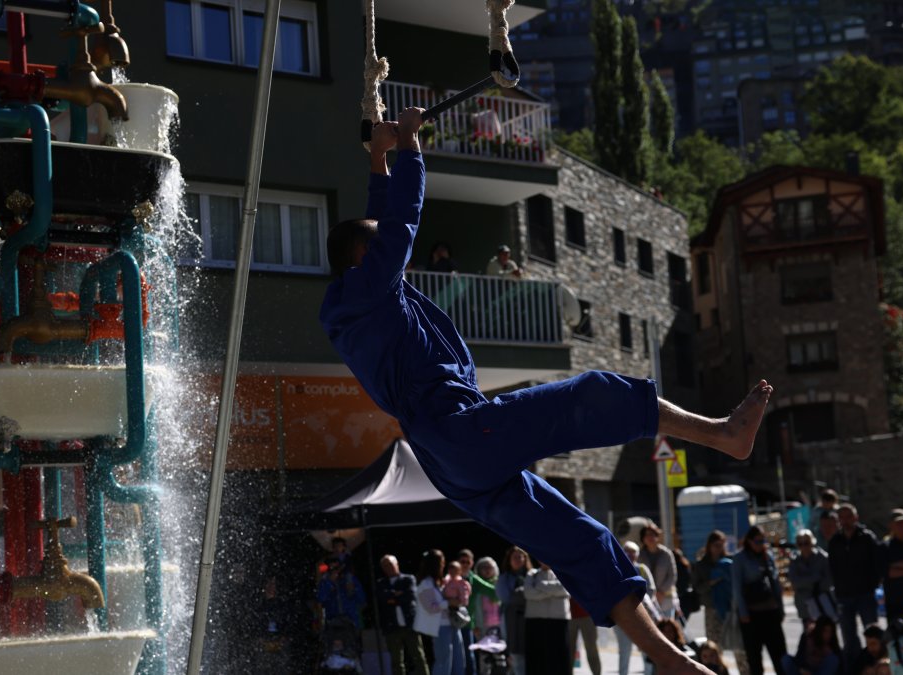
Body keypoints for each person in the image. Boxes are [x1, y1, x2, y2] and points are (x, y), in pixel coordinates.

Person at [322, 108, 774, 675]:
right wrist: (410, 145)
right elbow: (399, 225)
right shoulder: (370, 290)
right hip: (460, 429)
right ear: (364, 262)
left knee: (579, 541)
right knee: (590, 395)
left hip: (450, 463)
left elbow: (378, 226)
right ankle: (722, 434)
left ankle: (670, 660)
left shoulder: (360, 302)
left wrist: (377, 159)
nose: (402, 265)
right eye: (385, 254)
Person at [828, 504, 881, 668]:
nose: (845, 521)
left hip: (865, 593)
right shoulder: (835, 541)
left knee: (873, 634)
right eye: (841, 517)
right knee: (849, 638)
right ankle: (855, 668)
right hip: (844, 595)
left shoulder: (867, 537)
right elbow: (832, 567)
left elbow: (877, 563)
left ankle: (877, 666)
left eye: (848, 516)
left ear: (856, 518)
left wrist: (873, 584)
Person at [691, 530, 748, 675]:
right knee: (714, 649)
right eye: (716, 545)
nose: (719, 548)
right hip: (712, 609)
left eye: (722, 545)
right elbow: (697, 588)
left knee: (739, 648)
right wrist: (712, 582)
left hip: (731, 609)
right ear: (709, 545)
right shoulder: (701, 565)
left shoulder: (730, 561)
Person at [732, 526, 787, 675]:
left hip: (770, 612)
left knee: (780, 656)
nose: (761, 544)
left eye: (763, 541)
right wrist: (743, 612)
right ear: (749, 541)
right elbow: (737, 587)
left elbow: (775, 584)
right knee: (754, 659)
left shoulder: (767, 556)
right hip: (751, 615)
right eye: (757, 541)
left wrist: (781, 609)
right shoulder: (739, 558)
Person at [378, 554, 429, 675]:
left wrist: (392, 598)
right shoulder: (381, 583)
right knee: (396, 661)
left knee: (418, 657)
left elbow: (410, 596)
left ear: (397, 564)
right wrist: (397, 596)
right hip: (392, 627)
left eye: (390, 565)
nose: (388, 568)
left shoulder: (408, 579)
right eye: (385, 566)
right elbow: (382, 598)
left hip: (410, 625)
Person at [416, 549, 463, 675]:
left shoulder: (439, 582)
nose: (443, 565)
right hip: (440, 627)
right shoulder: (425, 584)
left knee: (457, 660)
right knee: (443, 662)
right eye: (441, 563)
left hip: (451, 624)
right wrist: (449, 603)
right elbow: (430, 607)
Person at [617, 541, 660, 675]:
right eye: (626, 551)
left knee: (645, 648)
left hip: (642, 616)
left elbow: (651, 589)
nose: (629, 554)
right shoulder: (616, 569)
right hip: (622, 617)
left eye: (633, 551)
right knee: (625, 650)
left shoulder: (642, 569)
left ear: (637, 554)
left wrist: (638, 599)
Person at [523, 562, 570, 675]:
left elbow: (565, 589)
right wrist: (554, 592)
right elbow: (528, 593)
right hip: (535, 621)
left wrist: (540, 585)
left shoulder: (562, 573)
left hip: (558, 620)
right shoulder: (532, 573)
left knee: (558, 657)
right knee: (537, 657)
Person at [316, 557, 365, 655]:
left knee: (351, 651)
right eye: (330, 565)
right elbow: (320, 598)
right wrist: (329, 582)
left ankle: (353, 668)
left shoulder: (350, 579)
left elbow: (362, 599)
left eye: (335, 564)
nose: (333, 567)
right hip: (332, 622)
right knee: (333, 652)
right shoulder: (325, 581)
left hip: (350, 621)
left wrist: (353, 590)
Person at [788, 528, 835, 623]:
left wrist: (806, 582)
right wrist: (815, 578)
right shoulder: (795, 561)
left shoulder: (822, 557)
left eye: (806, 543)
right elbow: (794, 582)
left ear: (812, 542)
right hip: (804, 605)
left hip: (823, 603)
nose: (804, 546)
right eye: (800, 544)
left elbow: (829, 580)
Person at [496, 546, 530, 675]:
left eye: (520, 556)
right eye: (514, 557)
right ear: (509, 560)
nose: (517, 559)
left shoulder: (532, 576)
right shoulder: (503, 579)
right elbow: (506, 598)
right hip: (510, 621)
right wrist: (529, 594)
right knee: (515, 656)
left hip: (530, 619)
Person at [641, 523, 679, 619]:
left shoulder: (667, 554)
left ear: (657, 536)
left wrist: (661, 592)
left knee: (667, 627)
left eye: (652, 534)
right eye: (647, 535)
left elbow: (672, 575)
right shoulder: (639, 555)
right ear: (643, 538)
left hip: (666, 597)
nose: (650, 537)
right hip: (646, 598)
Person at [569, 599, 601, 675]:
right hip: (569, 615)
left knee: (591, 649)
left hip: (588, 615)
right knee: (569, 649)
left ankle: (597, 673)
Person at [471, 556, 501, 637]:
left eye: (490, 567)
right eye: (484, 567)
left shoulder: (499, 584)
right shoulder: (475, 584)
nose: (487, 570)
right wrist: (474, 625)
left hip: (498, 627)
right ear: (479, 569)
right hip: (480, 627)